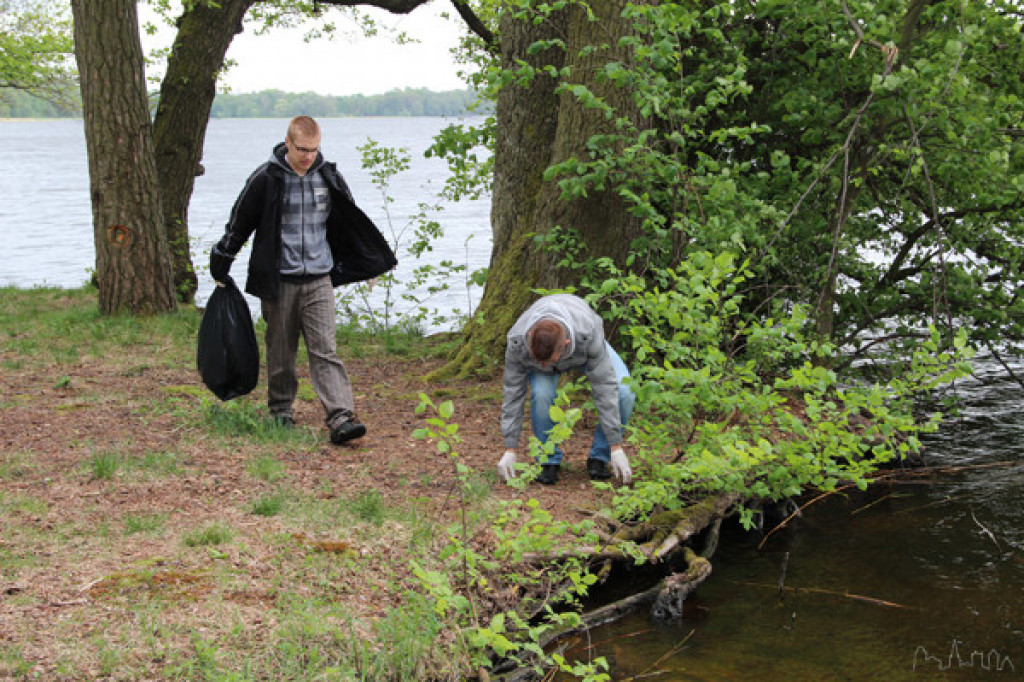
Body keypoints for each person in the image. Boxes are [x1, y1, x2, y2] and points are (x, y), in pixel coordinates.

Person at [209, 115, 396, 445]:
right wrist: (223, 258)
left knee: (325, 349)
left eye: (314, 149)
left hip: (319, 279)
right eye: (302, 149)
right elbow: (240, 222)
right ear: (288, 142)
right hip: (279, 281)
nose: (308, 156)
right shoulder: (265, 179)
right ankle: (281, 410)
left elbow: (350, 220)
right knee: (281, 351)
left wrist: (369, 263)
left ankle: (341, 417)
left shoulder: (328, 176)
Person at [496, 294, 635, 485]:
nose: (543, 366)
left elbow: (604, 386)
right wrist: (510, 448)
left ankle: (601, 456)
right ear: (529, 338)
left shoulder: (588, 333)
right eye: (539, 362)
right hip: (548, 347)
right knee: (541, 394)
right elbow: (513, 392)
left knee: (624, 390)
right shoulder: (517, 341)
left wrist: (616, 446)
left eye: (548, 362)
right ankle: (548, 458)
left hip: (586, 344)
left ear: (566, 345)